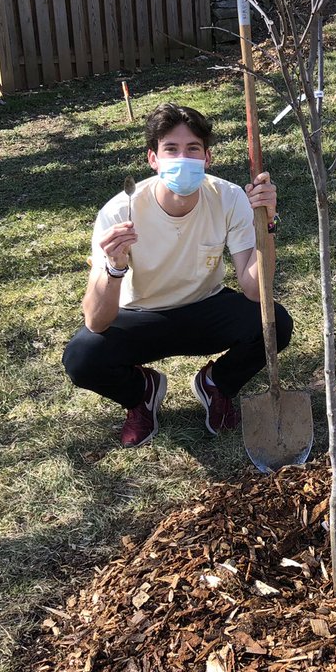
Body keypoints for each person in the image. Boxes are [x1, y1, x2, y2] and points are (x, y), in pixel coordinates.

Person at [62, 103, 292, 447]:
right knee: (82, 357)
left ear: (207, 158)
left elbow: (256, 290)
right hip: (140, 316)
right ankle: (141, 393)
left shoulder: (229, 198)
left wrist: (267, 224)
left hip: (205, 308)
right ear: (152, 158)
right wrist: (114, 267)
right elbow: (97, 321)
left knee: (275, 320)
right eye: (171, 149)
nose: (182, 158)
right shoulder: (118, 212)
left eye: (192, 149)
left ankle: (217, 384)